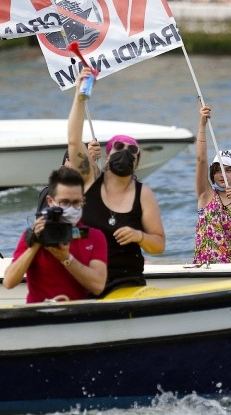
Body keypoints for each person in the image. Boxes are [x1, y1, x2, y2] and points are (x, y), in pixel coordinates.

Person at [65, 67, 165, 294]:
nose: (126, 151)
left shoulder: (143, 194)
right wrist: (80, 94)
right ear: (107, 155)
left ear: (136, 164)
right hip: (88, 281)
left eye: (132, 150)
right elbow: (73, 140)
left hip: (128, 282)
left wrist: (139, 236)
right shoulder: (90, 179)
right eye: (119, 147)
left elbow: (159, 245)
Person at [3, 167, 108, 302]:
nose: (70, 208)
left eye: (76, 202)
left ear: (82, 200)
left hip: (76, 312)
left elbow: (98, 286)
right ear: (50, 201)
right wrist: (35, 244)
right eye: (64, 202)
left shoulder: (93, 236)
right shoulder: (35, 233)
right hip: (39, 312)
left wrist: (66, 258)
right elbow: (8, 282)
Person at [192, 103, 231, 264]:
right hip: (206, 266)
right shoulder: (206, 194)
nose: (222, 175)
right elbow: (201, 160)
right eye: (218, 170)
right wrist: (202, 124)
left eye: (228, 170)